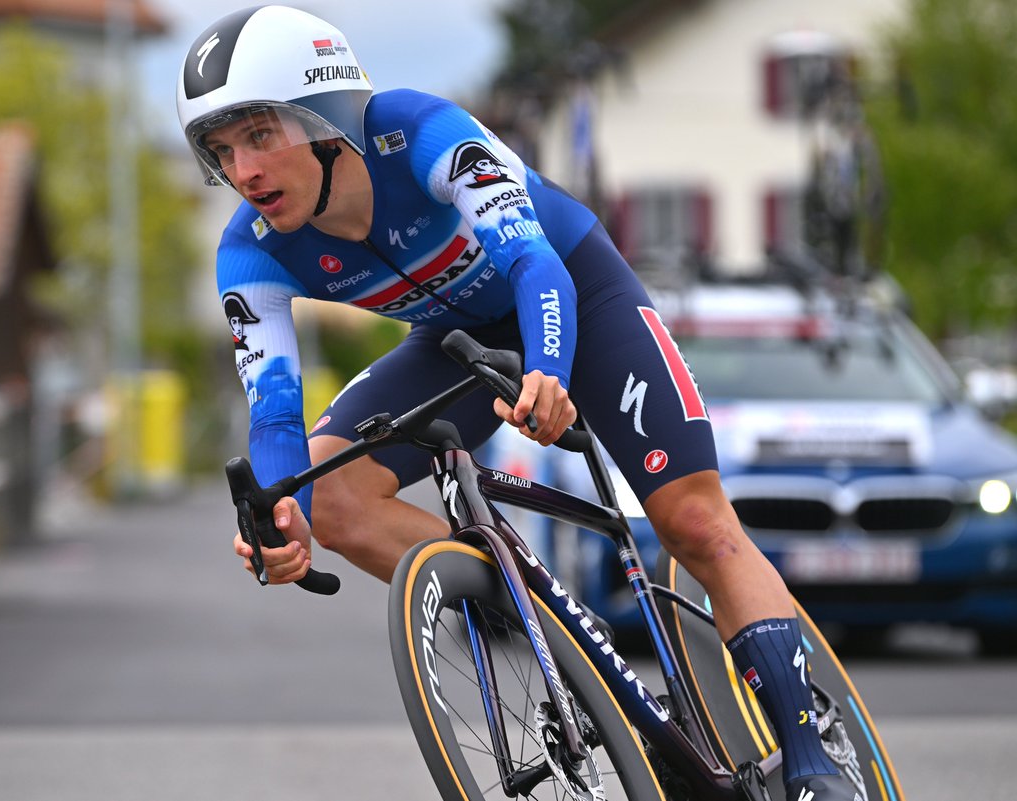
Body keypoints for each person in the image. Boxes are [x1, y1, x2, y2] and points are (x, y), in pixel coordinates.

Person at [176, 7, 862, 800]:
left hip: (575, 293)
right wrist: (279, 508)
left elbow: (535, 264)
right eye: (222, 151)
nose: (243, 170)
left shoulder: (420, 129)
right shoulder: (248, 250)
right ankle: (566, 649)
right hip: (453, 337)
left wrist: (549, 372)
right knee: (329, 494)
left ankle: (813, 763)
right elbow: (272, 415)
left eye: (260, 135)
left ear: (325, 118)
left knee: (696, 521)